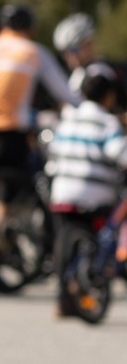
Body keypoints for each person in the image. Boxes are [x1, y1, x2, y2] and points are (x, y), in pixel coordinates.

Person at [0, 3, 80, 291]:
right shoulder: (32, 51)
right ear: (29, 28)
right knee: (2, 202)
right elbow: (66, 94)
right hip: (11, 132)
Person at [47, 65, 126, 318]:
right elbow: (120, 153)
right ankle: (100, 272)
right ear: (109, 95)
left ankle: (63, 299)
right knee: (103, 234)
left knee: (63, 243)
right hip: (94, 196)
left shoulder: (68, 119)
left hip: (61, 193)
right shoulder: (107, 122)